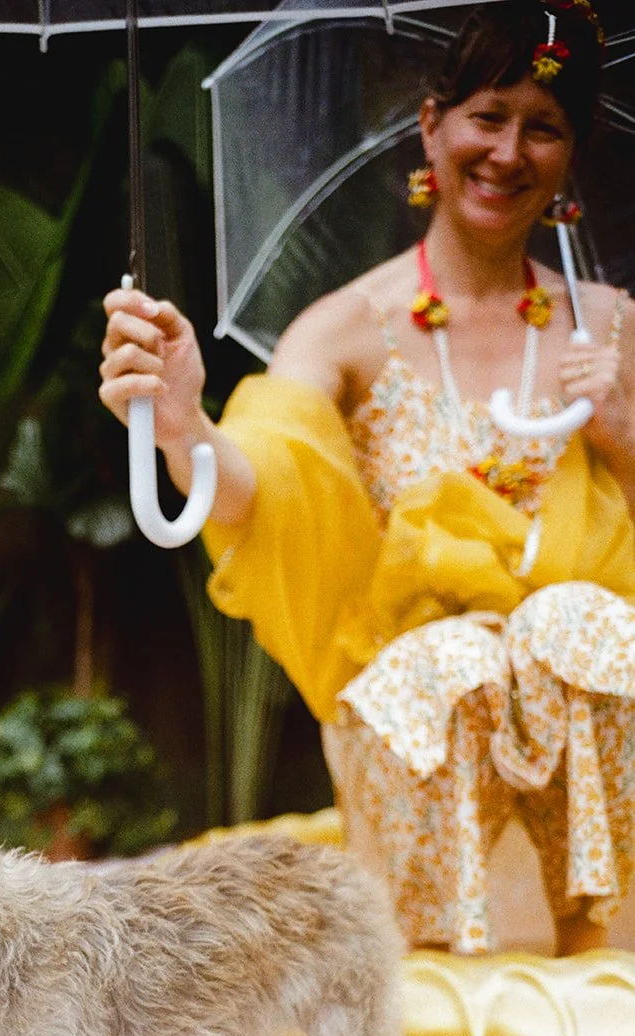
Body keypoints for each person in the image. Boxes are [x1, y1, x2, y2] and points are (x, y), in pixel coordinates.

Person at [99, 0, 635, 958]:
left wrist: (624, 433)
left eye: (542, 127)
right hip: (418, 712)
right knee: (450, 666)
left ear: (571, 153)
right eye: (487, 116)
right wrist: (184, 424)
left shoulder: (612, 330)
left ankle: (607, 953)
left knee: (578, 627)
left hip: (593, 708)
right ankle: (439, 976)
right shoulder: (346, 328)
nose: (507, 152)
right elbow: (266, 489)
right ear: (431, 126)